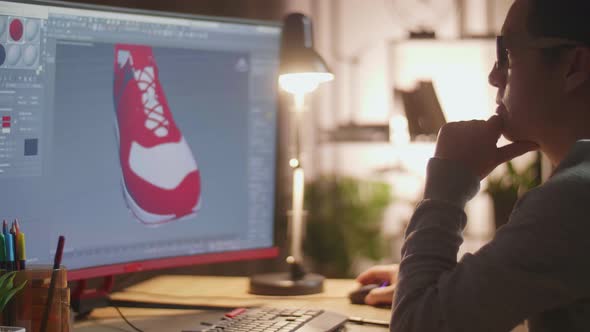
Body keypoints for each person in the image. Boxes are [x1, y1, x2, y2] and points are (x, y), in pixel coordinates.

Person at [355, 0, 590, 331]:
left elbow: (415, 327)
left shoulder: (574, 200)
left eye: (506, 53)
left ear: (573, 66)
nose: (494, 76)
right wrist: (438, 285)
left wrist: (446, 186)